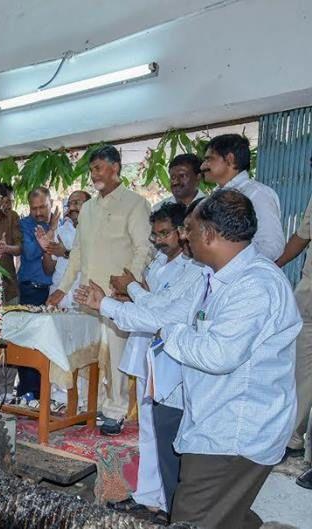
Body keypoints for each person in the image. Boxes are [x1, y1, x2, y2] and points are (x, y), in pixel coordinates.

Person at [157, 190, 298, 529]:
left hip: (233, 434)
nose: (183, 236)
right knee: (229, 515)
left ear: (209, 234)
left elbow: (218, 354)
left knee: (193, 519)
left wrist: (171, 333)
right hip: (219, 420)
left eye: (189, 228)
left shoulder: (254, 285)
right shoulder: (227, 278)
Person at [78, 202, 200, 521]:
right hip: (149, 349)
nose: (159, 241)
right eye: (155, 234)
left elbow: (158, 311)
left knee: (167, 434)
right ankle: (149, 497)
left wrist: (126, 290)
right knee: (148, 428)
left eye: (167, 233)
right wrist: (128, 294)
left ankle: (167, 503)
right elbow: (151, 303)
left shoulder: (195, 269)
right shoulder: (160, 261)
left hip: (172, 358)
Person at [48, 145, 152, 430]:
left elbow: (143, 248)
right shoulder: (89, 208)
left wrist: (129, 284)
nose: (93, 175)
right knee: (87, 352)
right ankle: (87, 405)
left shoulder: (135, 204)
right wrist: (62, 288)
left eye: (98, 168)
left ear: (115, 168)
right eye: (91, 169)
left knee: (116, 352)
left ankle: (115, 412)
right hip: (85, 294)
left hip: (116, 296)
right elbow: (78, 253)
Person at [274, 155, 312, 465]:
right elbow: (301, 236)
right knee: (301, 365)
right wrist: (273, 266)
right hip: (309, 290)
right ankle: (294, 438)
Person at [201, 134, 284, 260]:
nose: (202, 166)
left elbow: (271, 247)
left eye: (209, 159)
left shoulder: (257, 194)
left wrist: (235, 265)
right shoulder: (215, 195)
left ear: (229, 159)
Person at [13, 187, 55, 401]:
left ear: (51, 203)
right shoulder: (25, 224)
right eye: (34, 208)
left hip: (54, 291)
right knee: (28, 340)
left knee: (47, 343)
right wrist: (50, 233)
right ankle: (27, 391)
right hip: (30, 289)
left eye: (42, 207)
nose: (38, 212)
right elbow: (30, 252)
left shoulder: (63, 225)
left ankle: (43, 392)